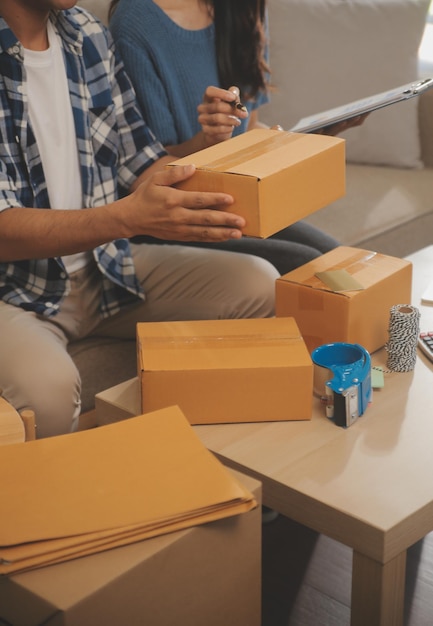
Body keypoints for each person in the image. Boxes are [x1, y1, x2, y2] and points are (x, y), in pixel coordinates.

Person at [0, 0, 280, 439]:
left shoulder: (85, 34)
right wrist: (125, 218)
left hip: (104, 265)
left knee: (260, 285)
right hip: (13, 291)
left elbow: (142, 163)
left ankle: (225, 476)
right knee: (48, 394)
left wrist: (208, 149)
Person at [107, 0, 362, 275]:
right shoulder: (136, 21)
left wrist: (304, 139)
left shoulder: (244, 7)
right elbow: (150, 168)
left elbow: (249, 127)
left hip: (239, 200)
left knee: (343, 264)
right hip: (177, 212)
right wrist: (209, 140)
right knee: (309, 268)